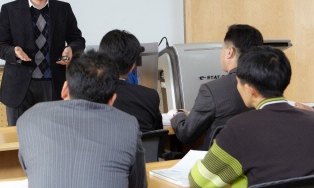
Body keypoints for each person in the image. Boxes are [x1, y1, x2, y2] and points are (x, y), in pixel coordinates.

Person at [17, 50, 147, 188]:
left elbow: (31, 171)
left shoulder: (29, 118)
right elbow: (138, 185)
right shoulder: (128, 125)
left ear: (65, 89)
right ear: (112, 100)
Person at [189, 46, 314, 187]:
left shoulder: (238, 129)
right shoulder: (311, 119)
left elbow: (199, 182)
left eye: (238, 82)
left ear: (250, 89)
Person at [0, 0, 85, 126]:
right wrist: (13, 52)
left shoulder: (63, 9)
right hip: (19, 86)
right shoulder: (10, 10)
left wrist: (71, 49)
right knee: (18, 137)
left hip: (54, 83)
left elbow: (77, 39)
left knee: (55, 135)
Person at [170, 24, 263, 149]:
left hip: (218, 162)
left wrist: (178, 116)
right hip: (256, 158)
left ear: (230, 52)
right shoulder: (267, 86)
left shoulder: (212, 90)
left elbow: (187, 135)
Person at [99, 29, 162, 132]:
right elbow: (158, 135)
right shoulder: (150, 96)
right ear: (132, 67)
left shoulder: (89, 97)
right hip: (141, 148)